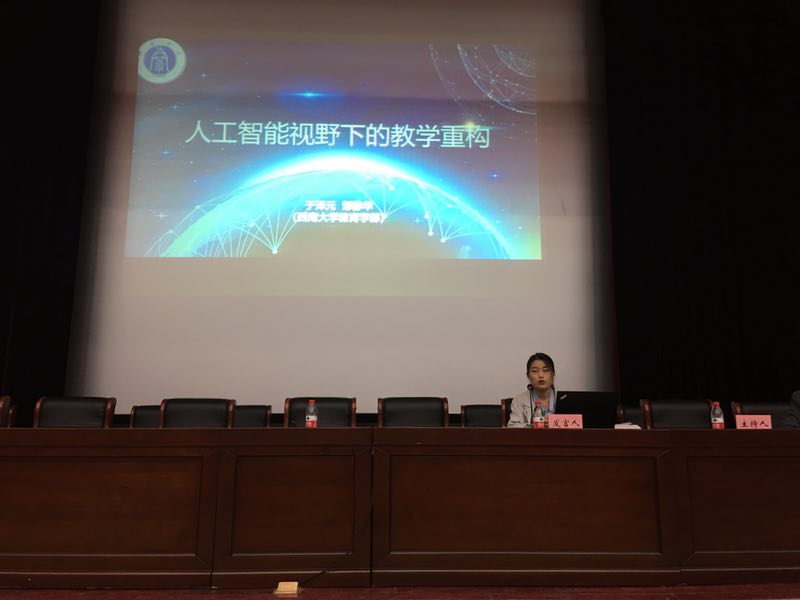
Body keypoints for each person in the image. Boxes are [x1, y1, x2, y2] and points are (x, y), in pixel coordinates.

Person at [507, 352, 558, 428]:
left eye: (546, 370)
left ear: (553, 374)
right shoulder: (519, 400)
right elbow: (512, 426)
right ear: (528, 376)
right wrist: (533, 426)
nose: (541, 375)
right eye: (535, 371)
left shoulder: (564, 398)